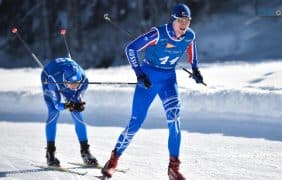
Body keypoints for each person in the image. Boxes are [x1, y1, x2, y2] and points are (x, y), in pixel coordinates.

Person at [101, 3, 204, 180]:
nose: (184, 24)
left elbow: (191, 47)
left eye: (187, 20)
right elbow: (130, 49)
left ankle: (173, 167)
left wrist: (195, 69)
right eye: (180, 20)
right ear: (173, 20)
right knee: (136, 122)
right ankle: (113, 159)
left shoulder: (189, 35)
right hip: (148, 78)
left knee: (174, 118)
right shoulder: (158, 34)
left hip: (168, 80)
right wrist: (140, 74)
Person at [41, 57, 98, 167]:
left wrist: (78, 102)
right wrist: (67, 105)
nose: (74, 86)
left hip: (63, 78)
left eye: (76, 83)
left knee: (77, 113)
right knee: (53, 112)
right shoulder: (53, 80)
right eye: (72, 83)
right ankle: (50, 153)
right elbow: (57, 105)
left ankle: (85, 151)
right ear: (66, 80)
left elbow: (79, 94)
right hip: (48, 75)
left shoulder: (83, 80)